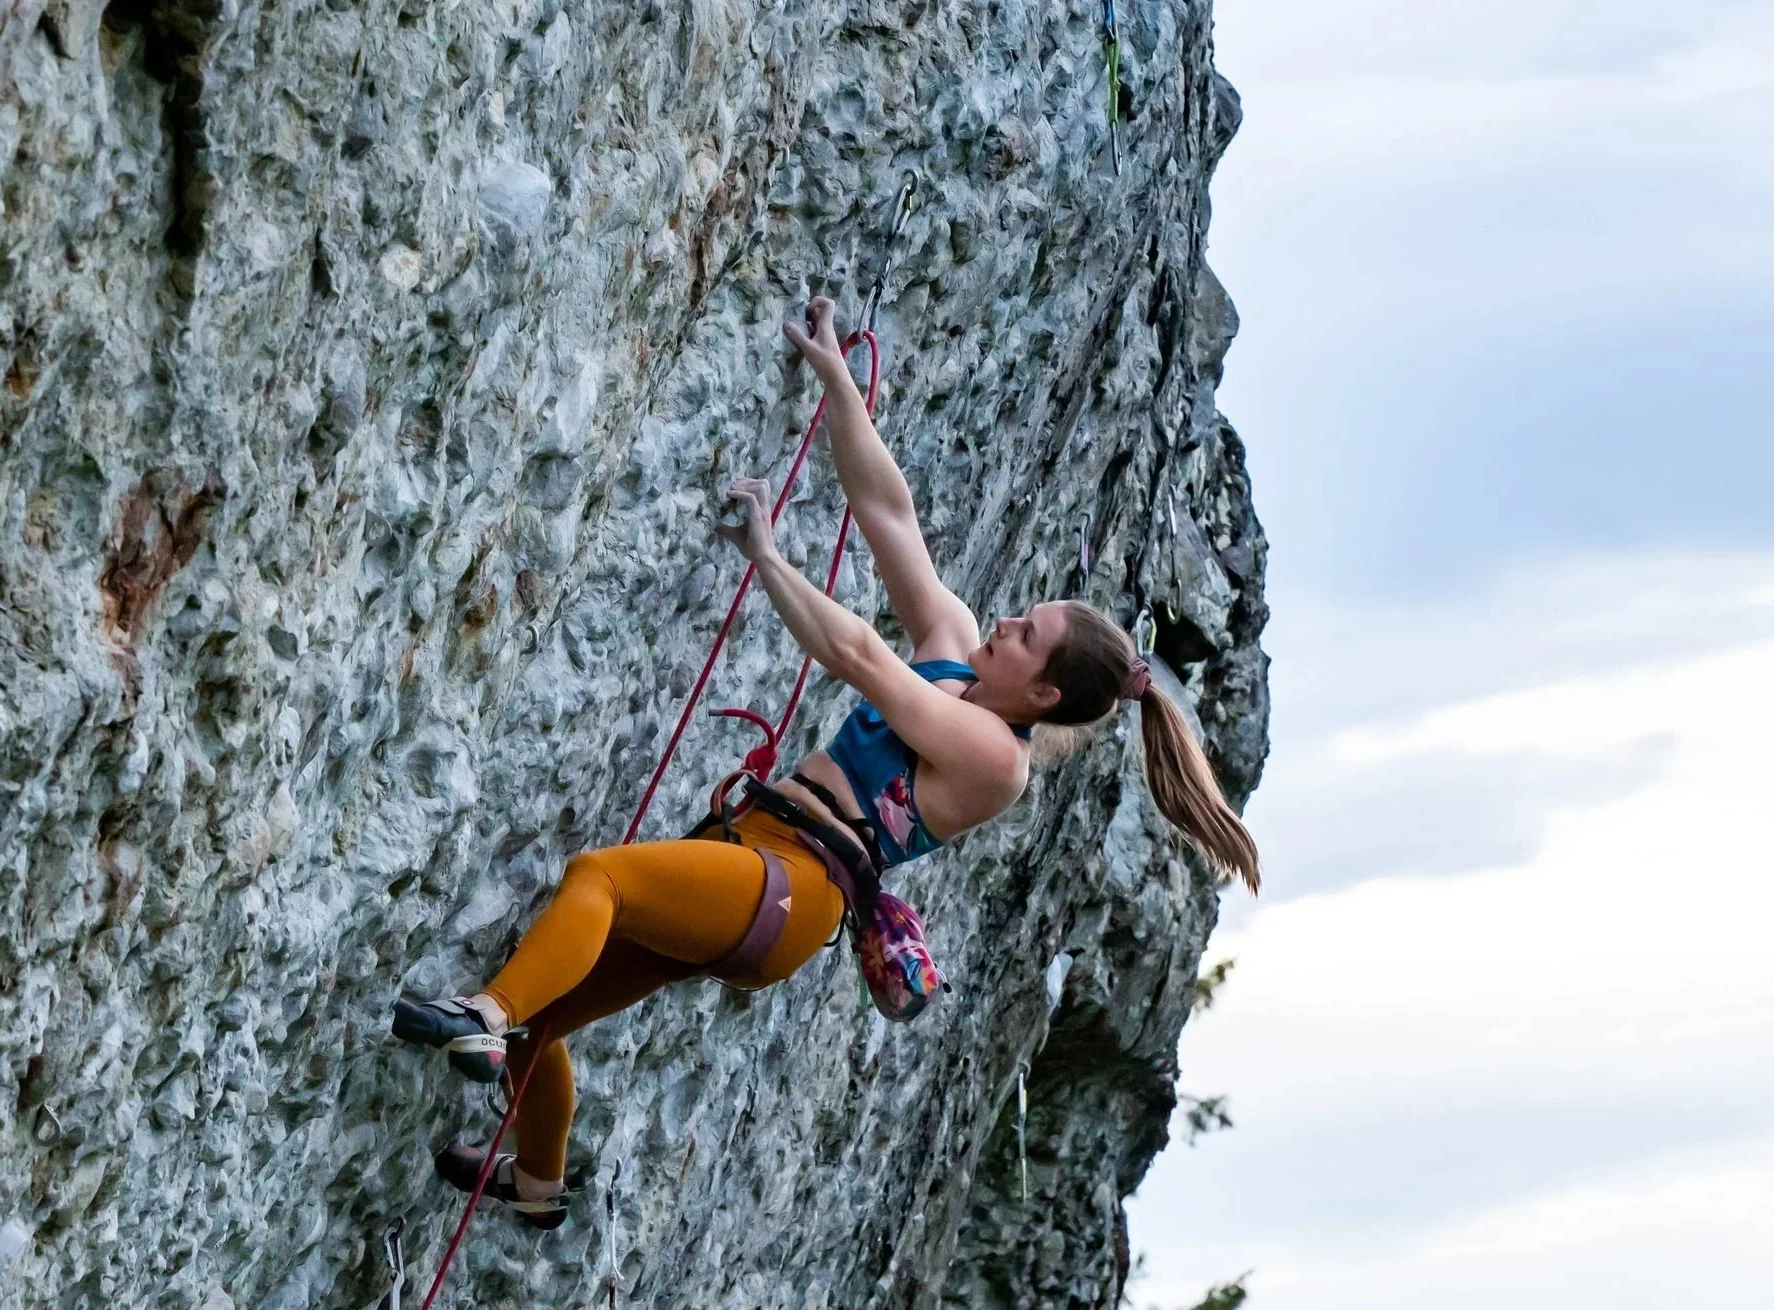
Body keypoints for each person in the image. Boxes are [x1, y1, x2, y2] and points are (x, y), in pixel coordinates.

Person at [392, 297, 1260, 1227]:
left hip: (795, 888)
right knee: (551, 1005)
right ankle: (535, 1184)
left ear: (1043, 694)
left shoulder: (995, 760)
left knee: (596, 879)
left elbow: (861, 660)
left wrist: (766, 557)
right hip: (759, 850)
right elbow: (890, 512)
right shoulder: (959, 652)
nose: (1004, 623)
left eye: (1026, 634)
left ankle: (480, 1019)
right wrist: (836, 379)